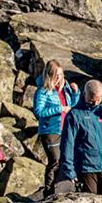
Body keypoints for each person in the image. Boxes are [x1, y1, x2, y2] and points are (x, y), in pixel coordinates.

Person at [61, 79, 102, 196]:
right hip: (86, 169)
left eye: (98, 100)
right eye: (91, 100)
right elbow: (67, 144)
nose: (95, 103)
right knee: (89, 202)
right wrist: (69, 171)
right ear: (84, 94)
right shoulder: (74, 115)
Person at [32, 60, 79, 188]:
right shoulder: (42, 91)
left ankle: (59, 188)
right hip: (50, 130)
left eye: (61, 74)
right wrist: (59, 109)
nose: (59, 78)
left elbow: (72, 105)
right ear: (49, 75)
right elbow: (38, 111)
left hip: (65, 129)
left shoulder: (65, 88)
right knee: (55, 161)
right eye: (56, 75)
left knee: (66, 160)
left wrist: (75, 93)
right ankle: (48, 190)